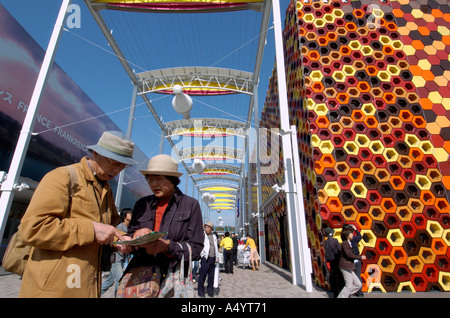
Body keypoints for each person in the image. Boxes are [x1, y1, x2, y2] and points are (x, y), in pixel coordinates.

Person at [18, 131, 137, 297]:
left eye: (123, 166)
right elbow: (32, 229)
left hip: (86, 284)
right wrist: (91, 231)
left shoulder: (106, 189)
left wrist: (123, 239)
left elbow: (110, 228)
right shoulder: (62, 177)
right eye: (113, 162)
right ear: (95, 153)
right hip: (54, 290)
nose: (117, 170)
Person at [124, 154, 204, 295]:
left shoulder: (190, 205)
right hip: (141, 278)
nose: (154, 184)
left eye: (159, 179)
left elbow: (196, 248)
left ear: (173, 180)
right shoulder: (142, 204)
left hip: (172, 277)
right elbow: (130, 234)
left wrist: (166, 246)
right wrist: (134, 238)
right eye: (150, 179)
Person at [101, 208, 133, 297]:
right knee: (120, 281)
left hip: (122, 258)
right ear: (124, 216)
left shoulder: (129, 228)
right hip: (116, 259)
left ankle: (97, 293)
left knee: (109, 282)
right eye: (130, 214)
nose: (132, 215)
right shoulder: (119, 227)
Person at [337, 228, 366, 298]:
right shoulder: (345, 244)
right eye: (351, 233)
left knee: (358, 284)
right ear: (347, 235)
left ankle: (345, 294)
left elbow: (359, 237)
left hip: (349, 267)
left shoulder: (349, 243)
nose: (352, 235)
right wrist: (360, 257)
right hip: (345, 267)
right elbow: (349, 255)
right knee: (348, 286)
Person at [198, 222, 219, 298]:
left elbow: (216, 247)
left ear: (211, 229)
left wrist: (217, 257)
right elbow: (198, 232)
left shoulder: (214, 237)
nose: (206, 229)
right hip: (205, 258)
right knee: (202, 275)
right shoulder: (203, 235)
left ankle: (210, 291)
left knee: (211, 276)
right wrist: (202, 255)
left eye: (208, 227)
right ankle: (201, 291)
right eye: (205, 227)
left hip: (213, 258)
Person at [343, 223, 364, 297]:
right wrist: (356, 230)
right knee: (358, 275)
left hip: (348, 259)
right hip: (356, 258)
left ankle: (348, 292)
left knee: (348, 276)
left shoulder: (344, 239)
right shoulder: (353, 238)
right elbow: (360, 237)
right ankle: (360, 293)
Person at [323, 227, 343, 298]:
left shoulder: (326, 242)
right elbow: (339, 250)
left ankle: (335, 294)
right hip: (337, 261)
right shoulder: (335, 241)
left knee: (334, 278)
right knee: (340, 278)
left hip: (331, 262)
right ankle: (341, 293)